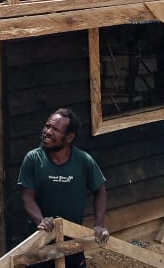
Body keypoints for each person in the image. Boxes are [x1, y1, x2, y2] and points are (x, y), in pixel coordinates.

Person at [17, 108, 109, 267]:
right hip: (41, 240)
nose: (47, 132)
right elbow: (27, 197)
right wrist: (41, 220)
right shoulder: (33, 159)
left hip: (72, 241)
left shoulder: (83, 161)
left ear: (69, 137)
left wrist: (99, 224)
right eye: (47, 126)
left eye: (55, 129)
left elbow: (100, 190)